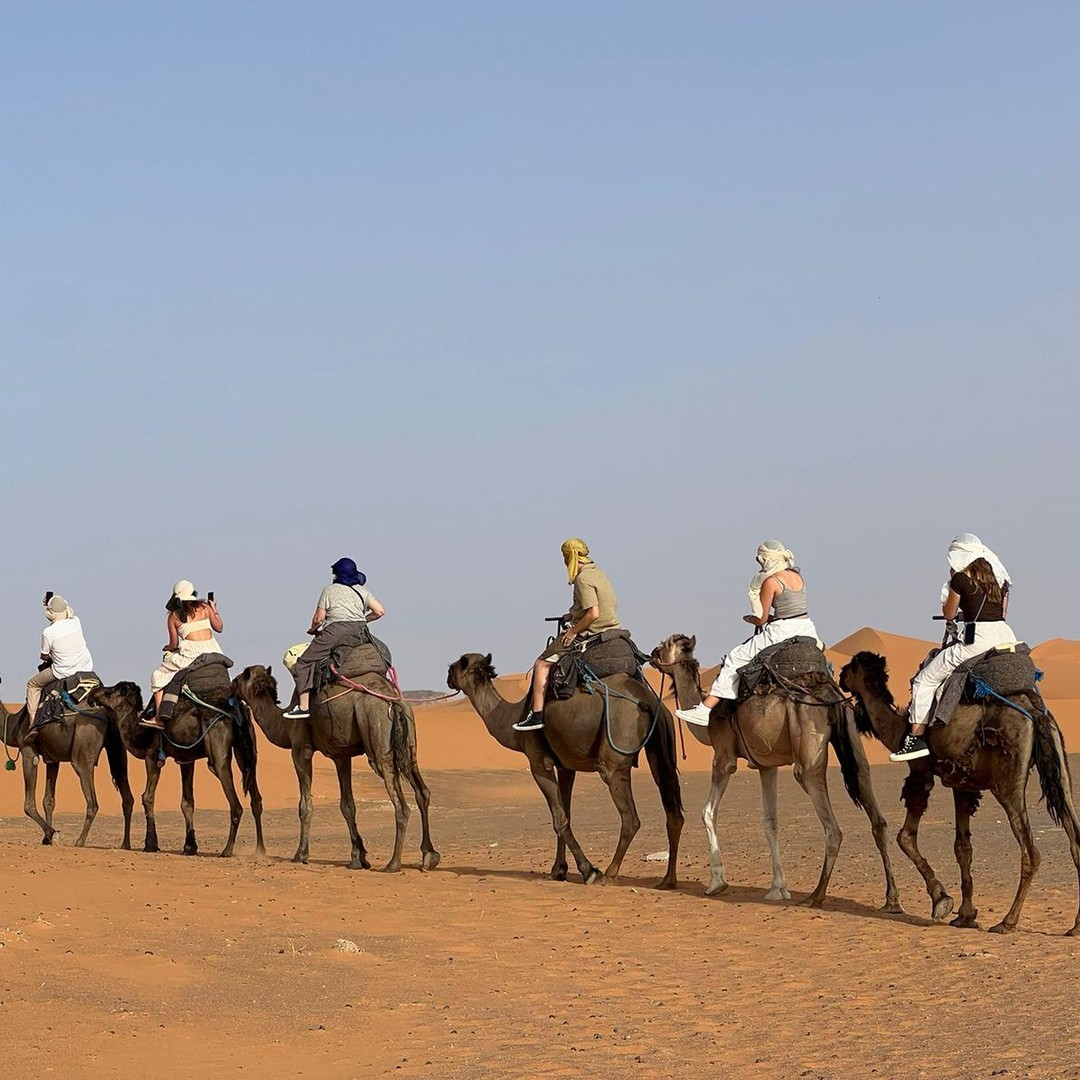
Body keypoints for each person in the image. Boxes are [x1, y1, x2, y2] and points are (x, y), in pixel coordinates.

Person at [891, 533, 1015, 762]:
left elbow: (948, 613)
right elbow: (1001, 613)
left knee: (924, 680)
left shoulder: (960, 579)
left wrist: (957, 611)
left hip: (977, 639)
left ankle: (916, 738)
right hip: (1006, 636)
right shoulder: (999, 579)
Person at [675, 540, 821, 727]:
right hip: (806, 626)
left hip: (781, 631)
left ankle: (706, 708)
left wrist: (751, 619)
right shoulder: (798, 577)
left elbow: (761, 618)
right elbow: (791, 609)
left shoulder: (771, 581)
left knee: (736, 658)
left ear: (765, 559)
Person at [513, 538, 620, 732]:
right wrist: (571, 615)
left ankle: (536, 714)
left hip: (593, 631)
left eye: (564, 556)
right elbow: (600, 605)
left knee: (542, 664)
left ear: (570, 556)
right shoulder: (598, 573)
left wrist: (572, 631)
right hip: (612, 627)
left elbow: (593, 612)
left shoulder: (582, 579)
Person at [284, 557, 384, 720]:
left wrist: (313, 629)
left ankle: (303, 707)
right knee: (383, 653)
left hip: (336, 630)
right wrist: (363, 619)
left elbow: (319, 619)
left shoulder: (329, 590)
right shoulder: (362, 591)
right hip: (360, 631)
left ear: (337, 575)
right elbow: (380, 611)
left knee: (303, 662)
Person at [142, 581, 224, 729]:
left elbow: (173, 644)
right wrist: (214, 608)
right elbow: (219, 627)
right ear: (193, 594)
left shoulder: (173, 616)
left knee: (157, 676)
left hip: (191, 654)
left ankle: (160, 717)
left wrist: (167, 648)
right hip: (213, 650)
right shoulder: (205, 607)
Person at [25, 594, 95, 730]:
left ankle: (32, 724)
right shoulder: (76, 621)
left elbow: (44, 656)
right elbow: (63, 610)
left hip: (62, 671)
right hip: (85, 667)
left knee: (32, 685)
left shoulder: (48, 632)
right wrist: (54, 602)